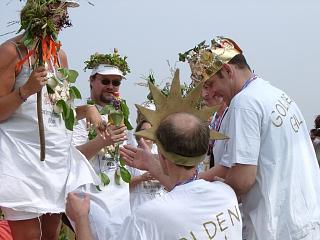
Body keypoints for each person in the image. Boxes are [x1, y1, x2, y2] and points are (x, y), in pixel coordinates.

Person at [66, 70, 242, 240]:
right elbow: (187, 189)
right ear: (204, 150)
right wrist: (153, 167)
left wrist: (81, 218)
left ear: (162, 156)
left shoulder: (147, 217)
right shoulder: (226, 193)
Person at [183, 36, 320, 239]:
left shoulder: (244, 103)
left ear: (228, 71)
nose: (209, 93)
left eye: (211, 84)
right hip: (305, 220)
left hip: (275, 227)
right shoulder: (276, 94)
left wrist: (197, 191)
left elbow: (242, 180)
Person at [0, 1, 101, 239]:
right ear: (38, 10)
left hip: (55, 159)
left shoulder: (59, 57)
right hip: (21, 157)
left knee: (51, 236)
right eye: (57, 8)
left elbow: (57, 113)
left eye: (64, 11)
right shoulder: (11, 52)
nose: (62, 16)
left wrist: (87, 110)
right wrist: (25, 90)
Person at [72, 50, 133, 238]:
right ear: (92, 80)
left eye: (116, 82)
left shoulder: (122, 117)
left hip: (122, 199)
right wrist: (102, 141)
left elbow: (126, 156)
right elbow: (74, 158)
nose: (111, 86)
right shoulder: (80, 117)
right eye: (105, 81)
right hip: (92, 197)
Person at [128, 119, 163, 212]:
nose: (147, 133)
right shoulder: (130, 154)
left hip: (158, 204)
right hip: (137, 205)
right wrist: (141, 178)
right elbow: (123, 186)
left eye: (150, 130)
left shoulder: (162, 155)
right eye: (143, 130)